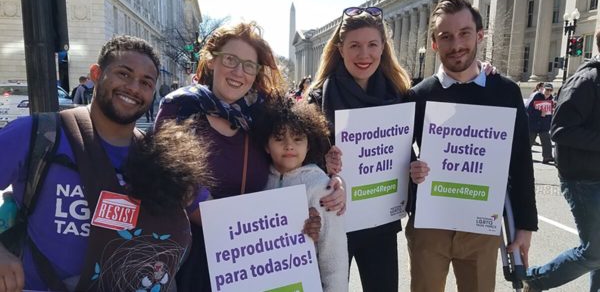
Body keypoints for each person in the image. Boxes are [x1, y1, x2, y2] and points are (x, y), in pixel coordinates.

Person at [0, 35, 209, 291]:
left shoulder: (162, 156)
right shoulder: (37, 134)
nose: (134, 87)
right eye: (124, 74)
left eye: (146, 82)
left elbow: (215, 217)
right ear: (96, 74)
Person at [154, 21, 346, 292]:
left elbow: (294, 165)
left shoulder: (261, 116)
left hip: (256, 258)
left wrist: (333, 185)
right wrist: (230, 229)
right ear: (211, 61)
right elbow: (171, 182)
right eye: (230, 59)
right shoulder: (180, 108)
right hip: (196, 259)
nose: (238, 72)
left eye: (248, 65)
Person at [407, 0, 538, 292]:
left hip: (482, 227)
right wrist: (411, 169)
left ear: (480, 35)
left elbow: (520, 161)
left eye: (465, 33)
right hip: (430, 226)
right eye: (446, 36)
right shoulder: (418, 96)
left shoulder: (505, 92)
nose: (457, 45)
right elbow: (400, 157)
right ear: (434, 43)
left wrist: (524, 227)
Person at [307, 6, 412, 291]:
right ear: (340, 50)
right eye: (354, 45)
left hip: (380, 223)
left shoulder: (399, 96)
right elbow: (299, 163)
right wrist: (322, 162)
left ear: (383, 48)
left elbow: (403, 155)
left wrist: (414, 169)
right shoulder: (317, 100)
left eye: (371, 45)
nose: (364, 55)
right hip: (335, 221)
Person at [523, 31, 600, 292]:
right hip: (583, 179)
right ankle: (533, 279)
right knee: (595, 252)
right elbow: (561, 130)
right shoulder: (586, 80)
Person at [258, 97, 348, 292]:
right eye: (279, 138)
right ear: (266, 145)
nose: (289, 146)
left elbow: (334, 255)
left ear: (308, 145)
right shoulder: (257, 182)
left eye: (298, 139)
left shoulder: (320, 187)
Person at [527, 82, 554, 164]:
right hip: (533, 123)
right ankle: (523, 156)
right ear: (543, 89)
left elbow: (549, 113)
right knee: (529, 141)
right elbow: (528, 109)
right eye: (547, 90)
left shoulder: (551, 99)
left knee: (546, 141)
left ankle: (547, 157)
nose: (548, 92)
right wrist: (539, 113)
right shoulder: (536, 96)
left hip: (544, 124)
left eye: (550, 90)